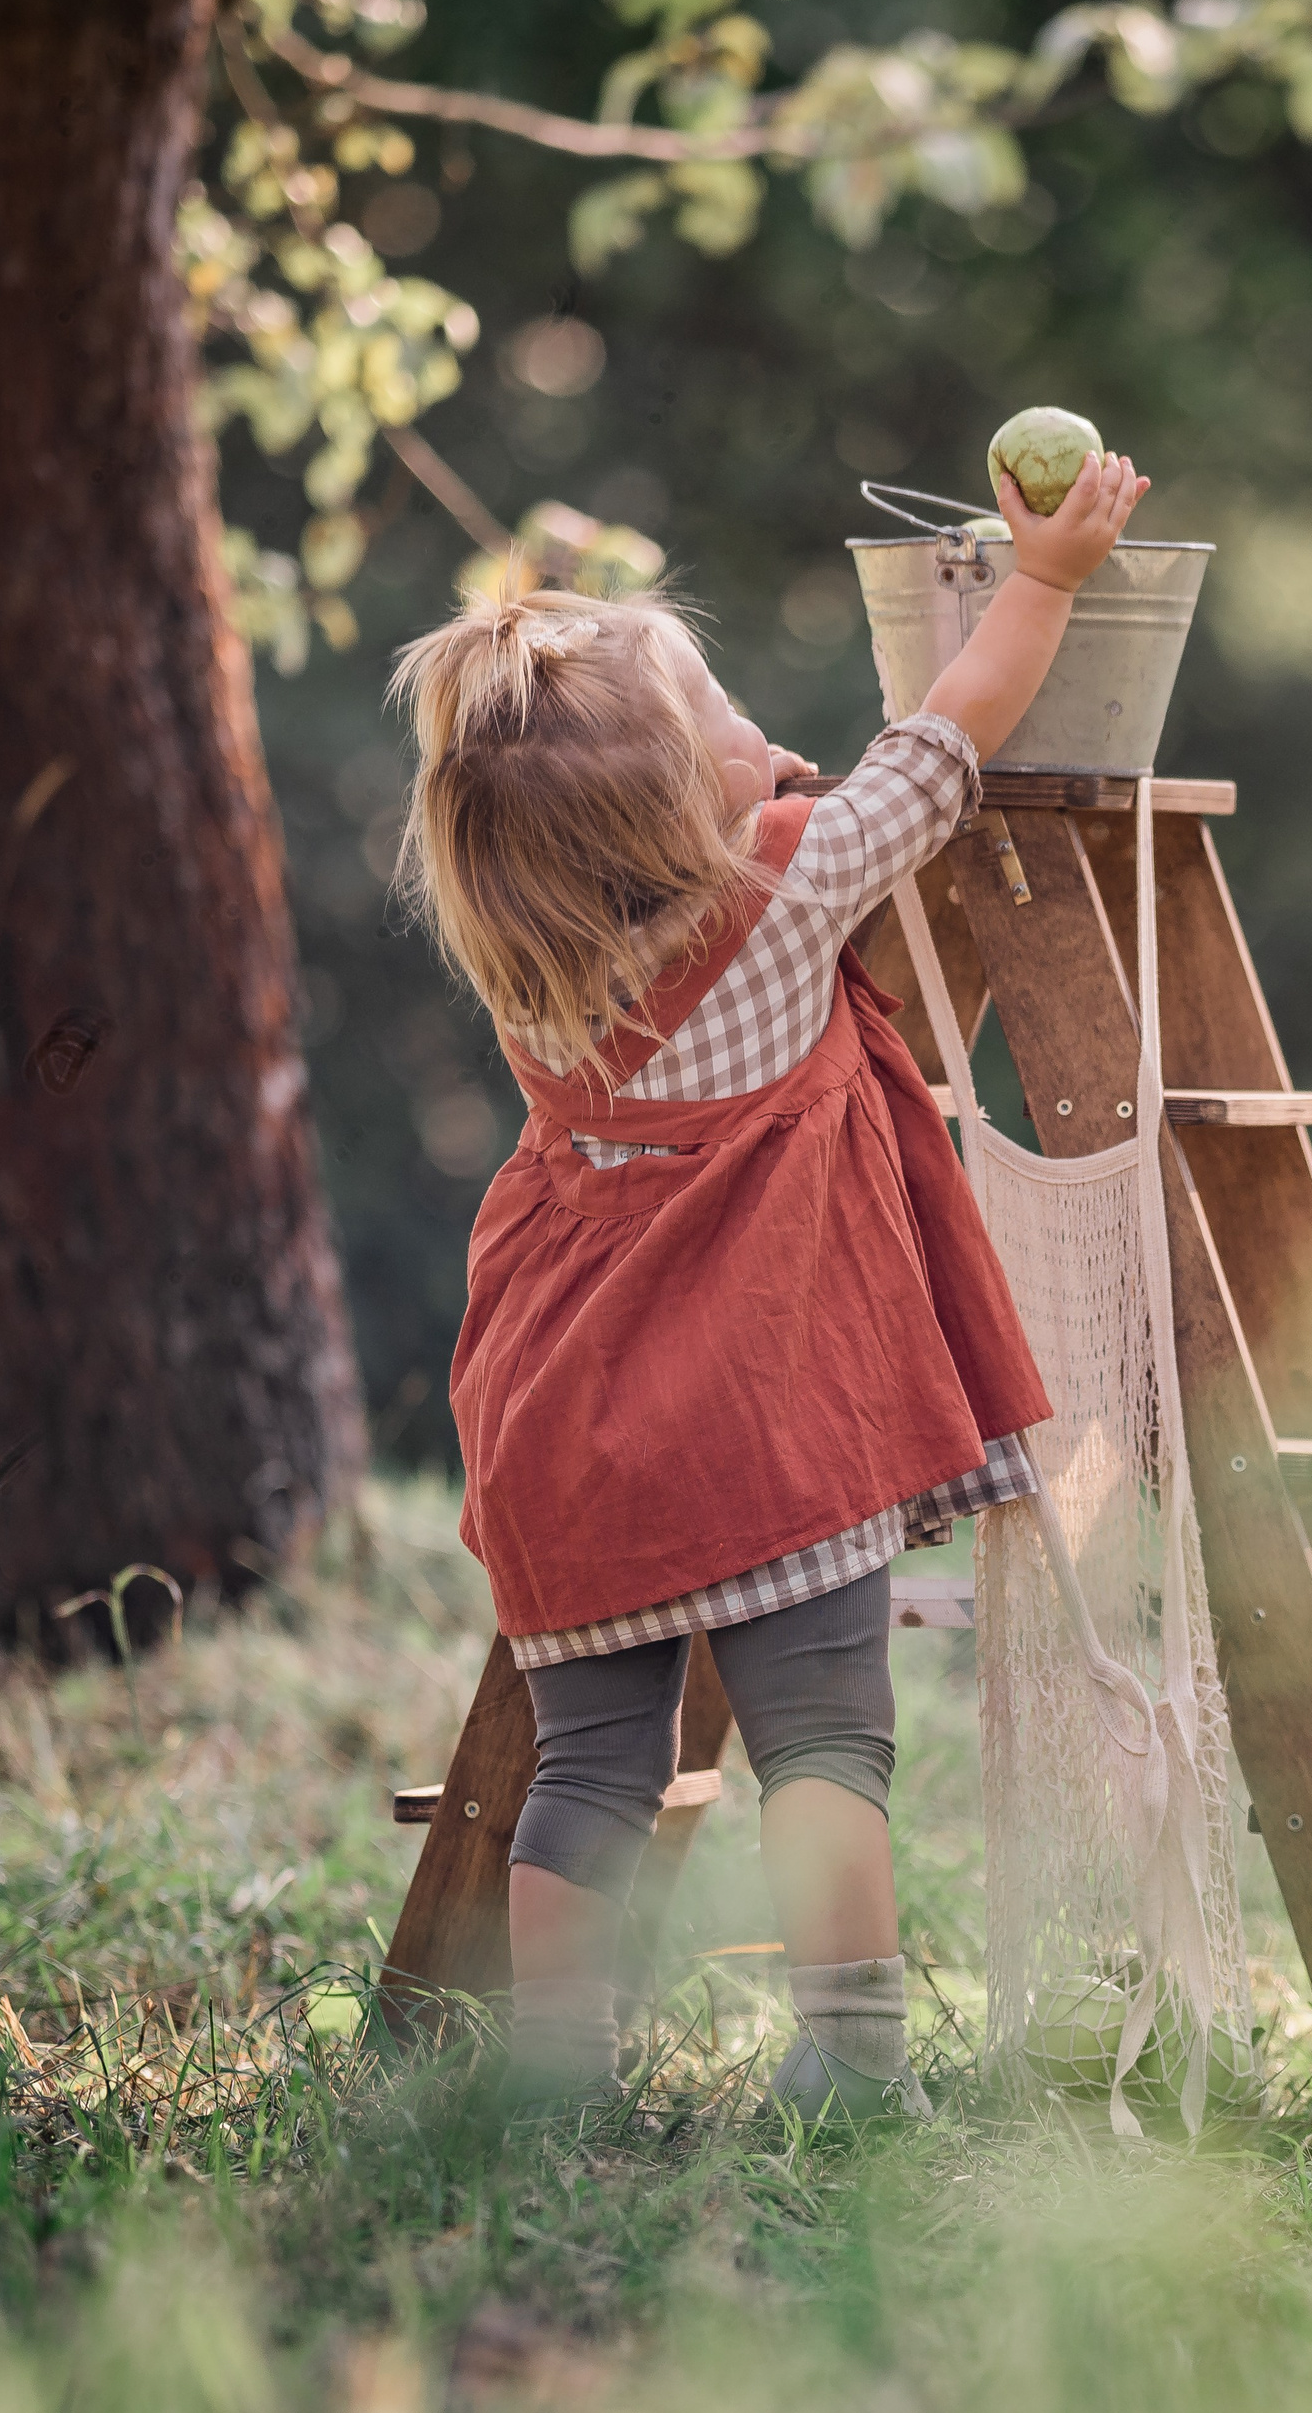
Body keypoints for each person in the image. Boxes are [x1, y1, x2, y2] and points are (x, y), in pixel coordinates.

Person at [394, 451, 1152, 2118]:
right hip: (770, 1425)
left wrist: (735, 791)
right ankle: (853, 2057)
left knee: (593, 1764)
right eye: (721, 710)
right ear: (686, 809)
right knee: (823, 1741)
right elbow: (947, 739)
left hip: (564, 1420)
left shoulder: (535, 963)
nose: (755, 724)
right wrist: (1044, 577)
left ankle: (554, 2080)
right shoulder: (790, 884)